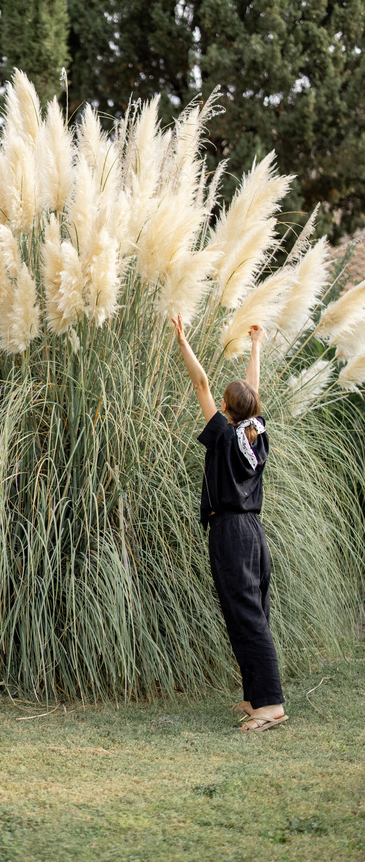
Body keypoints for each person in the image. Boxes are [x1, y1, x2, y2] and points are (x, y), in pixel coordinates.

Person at [170, 313, 288, 733]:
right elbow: (250, 392)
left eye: (221, 401)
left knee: (247, 616)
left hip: (231, 533)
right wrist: (256, 346)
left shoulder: (223, 433)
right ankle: (255, 695)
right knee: (251, 611)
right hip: (254, 533)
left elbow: (200, 383)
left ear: (224, 408)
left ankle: (270, 705)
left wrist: (183, 341)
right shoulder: (256, 432)